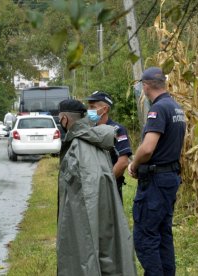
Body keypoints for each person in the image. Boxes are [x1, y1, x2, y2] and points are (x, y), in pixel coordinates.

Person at [57, 99, 136, 276]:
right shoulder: (95, 140)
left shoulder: (78, 147)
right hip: (105, 210)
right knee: (107, 252)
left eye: (59, 118)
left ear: (65, 120)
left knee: (88, 252)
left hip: (88, 214)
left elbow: (83, 200)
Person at [128, 67, 186, 276]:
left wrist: (134, 165)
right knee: (163, 234)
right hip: (170, 178)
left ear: (145, 86)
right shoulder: (176, 107)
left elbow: (148, 147)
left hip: (155, 181)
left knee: (146, 236)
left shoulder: (158, 109)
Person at [86, 91, 132, 203]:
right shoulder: (90, 130)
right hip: (91, 187)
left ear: (105, 109)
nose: (89, 110)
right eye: (88, 106)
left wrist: (106, 183)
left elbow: (123, 162)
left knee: (112, 220)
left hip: (110, 187)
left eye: (93, 107)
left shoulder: (117, 130)